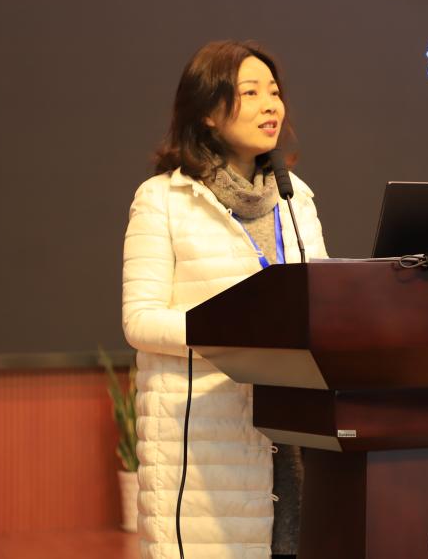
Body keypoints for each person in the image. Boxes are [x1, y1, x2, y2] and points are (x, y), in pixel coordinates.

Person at [122, 40, 329, 559]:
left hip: (293, 434)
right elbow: (140, 320)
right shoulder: (164, 200)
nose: (270, 105)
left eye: (274, 92)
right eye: (250, 92)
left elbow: (323, 300)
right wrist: (236, 332)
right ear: (208, 112)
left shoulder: (295, 197)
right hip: (208, 443)